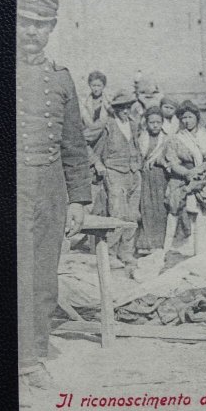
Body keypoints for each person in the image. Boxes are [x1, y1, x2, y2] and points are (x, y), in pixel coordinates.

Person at [17, 0, 90, 390]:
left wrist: (79, 199)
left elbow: (74, 143)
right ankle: (24, 362)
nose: (31, 33)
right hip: (13, 185)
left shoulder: (61, 78)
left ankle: (36, 349)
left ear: (51, 28)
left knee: (44, 274)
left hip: (50, 188)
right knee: (18, 272)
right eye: (25, 24)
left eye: (39, 26)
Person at [164, 100, 206, 255]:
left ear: (197, 117)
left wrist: (201, 168)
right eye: (183, 118)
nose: (187, 121)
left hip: (205, 178)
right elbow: (173, 162)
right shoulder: (176, 139)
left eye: (190, 117)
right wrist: (187, 173)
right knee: (186, 212)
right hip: (184, 180)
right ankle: (186, 250)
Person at [92, 89, 143, 265]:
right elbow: (83, 142)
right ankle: (111, 254)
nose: (126, 111)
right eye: (122, 108)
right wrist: (97, 163)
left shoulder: (134, 124)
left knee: (132, 215)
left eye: (128, 107)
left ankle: (126, 252)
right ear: (115, 109)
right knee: (117, 213)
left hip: (134, 172)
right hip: (114, 172)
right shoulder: (107, 124)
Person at [136, 106, 170, 253]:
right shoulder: (141, 137)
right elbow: (139, 156)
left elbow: (169, 157)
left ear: (162, 123)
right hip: (145, 177)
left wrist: (158, 160)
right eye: (152, 122)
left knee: (160, 209)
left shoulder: (167, 138)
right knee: (146, 208)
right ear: (147, 123)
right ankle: (145, 244)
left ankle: (159, 243)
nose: (155, 125)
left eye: (158, 122)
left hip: (161, 176)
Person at [80, 70, 110, 218]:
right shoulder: (84, 104)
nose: (96, 88)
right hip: (88, 145)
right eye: (93, 85)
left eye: (99, 85)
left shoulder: (108, 104)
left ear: (103, 86)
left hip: (104, 145)